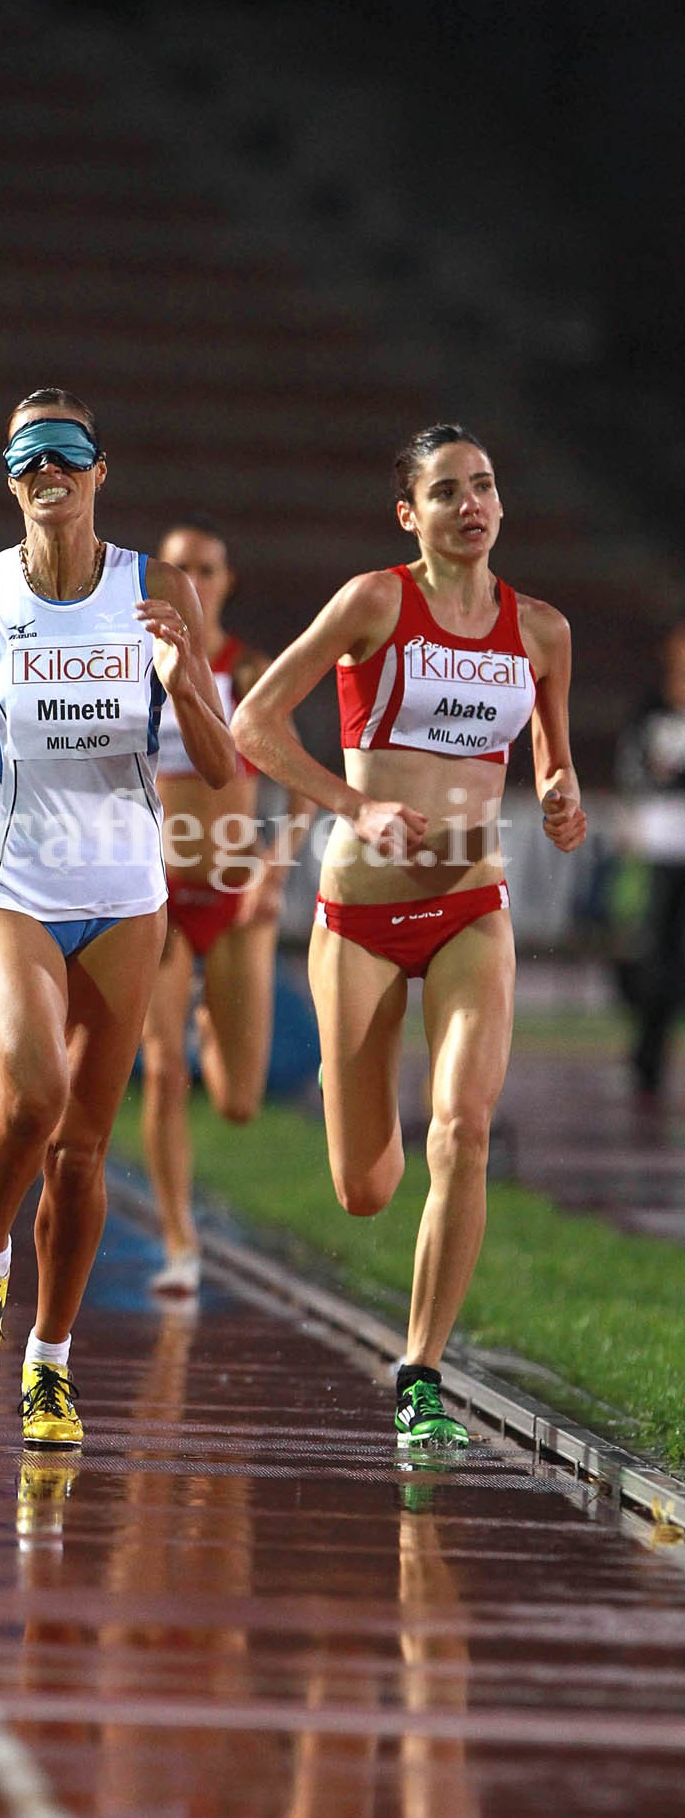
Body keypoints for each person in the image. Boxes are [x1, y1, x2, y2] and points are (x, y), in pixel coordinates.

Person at [0, 388, 236, 1448]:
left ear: (97, 473)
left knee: (83, 1151)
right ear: (9, 479)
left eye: (66, 455)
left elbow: (219, 766)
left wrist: (181, 678)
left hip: (125, 891)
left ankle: (49, 1363)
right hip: (7, 881)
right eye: (28, 458)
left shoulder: (152, 586)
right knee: (30, 1094)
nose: (48, 473)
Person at [233, 423, 587, 1448]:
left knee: (463, 1131)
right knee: (362, 1186)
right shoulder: (374, 601)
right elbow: (257, 722)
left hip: (473, 904)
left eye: (483, 486)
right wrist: (355, 807)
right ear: (409, 514)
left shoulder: (543, 632)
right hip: (362, 916)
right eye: (445, 492)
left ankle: (420, 1373)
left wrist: (564, 798)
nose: (469, 505)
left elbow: (554, 772)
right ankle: (374, 1153)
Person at [139, 524, 311, 1295]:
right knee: (166, 1072)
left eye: (207, 569)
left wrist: (276, 864)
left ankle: (212, 1017)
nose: (195, 582)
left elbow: (301, 778)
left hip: (237, 899)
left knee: (239, 1101)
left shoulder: (247, 669)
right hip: (160, 897)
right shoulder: (135, 664)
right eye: (180, 570)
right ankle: (181, 1240)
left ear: (227, 580)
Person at [616, 621, 685, 1102]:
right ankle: (648, 1058)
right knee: (659, 956)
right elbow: (634, 767)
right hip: (662, 842)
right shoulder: (650, 709)